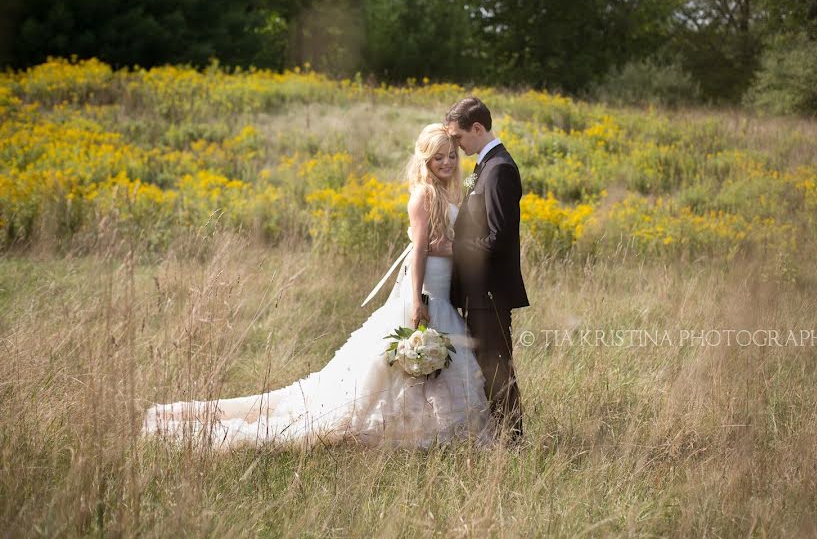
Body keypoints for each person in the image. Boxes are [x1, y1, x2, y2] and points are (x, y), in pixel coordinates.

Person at [143, 123, 497, 451]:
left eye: (451, 155)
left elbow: (446, 240)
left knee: (437, 366)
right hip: (424, 293)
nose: (448, 162)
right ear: (426, 159)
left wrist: (454, 247)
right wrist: (418, 300)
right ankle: (404, 429)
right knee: (403, 363)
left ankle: (436, 430)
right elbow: (419, 250)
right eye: (439, 157)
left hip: (441, 290)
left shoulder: (449, 193)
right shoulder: (423, 195)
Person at [445, 97, 528, 445]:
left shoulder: (499, 169)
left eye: (459, 138)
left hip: (490, 291)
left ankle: (513, 442)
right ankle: (499, 437)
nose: (456, 146)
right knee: (486, 368)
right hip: (477, 291)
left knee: (497, 368)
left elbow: (497, 236)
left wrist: (454, 249)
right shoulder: (485, 165)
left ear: (477, 128)